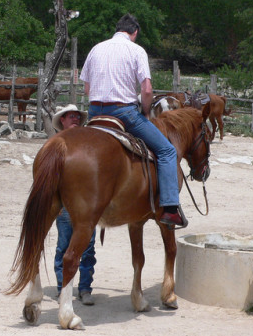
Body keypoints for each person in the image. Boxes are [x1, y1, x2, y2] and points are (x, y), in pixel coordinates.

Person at [79, 13, 187, 229]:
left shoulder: (96, 48)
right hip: (123, 113)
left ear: (117, 28)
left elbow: (87, 89)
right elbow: (146, 90)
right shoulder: (136, 50)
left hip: (95, 113)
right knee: (167, 151)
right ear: (134, 32)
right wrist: (146, 112)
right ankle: (170, 208)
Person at [51, 104, 97, 305]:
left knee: (87, 249)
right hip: (65, 207)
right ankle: (63, 287)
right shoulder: (55, 145)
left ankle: (85, 288)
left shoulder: (87, 145)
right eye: (72, 117)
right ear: (62, 120)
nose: (76, 120)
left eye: (78, 117)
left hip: (88, 206)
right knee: (64, 247)